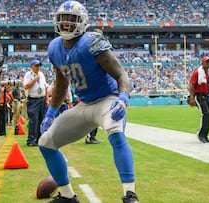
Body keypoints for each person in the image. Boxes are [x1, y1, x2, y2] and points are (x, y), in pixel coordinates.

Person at [38, 1, 139, 203]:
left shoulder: (92, 41)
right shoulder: (54, 48)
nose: (66, 24)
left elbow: (121, 74)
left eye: (71, 20)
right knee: (46, 143)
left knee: (116, 134)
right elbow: (61, 84)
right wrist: (51, 112)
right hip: (84, 105)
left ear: (82, 22)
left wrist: (123, 98)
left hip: (107, 101)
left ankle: (130, 194)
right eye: (63, 20)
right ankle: (68, 196)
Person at [189, 56, 209, 143]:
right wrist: (191, 97)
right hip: (199, 95)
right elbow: (191, 85)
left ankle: (205, 136)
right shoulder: (197, 73)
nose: (208, 64)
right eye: (207, 62)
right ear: (202, 63)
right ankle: (201, 135)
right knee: (205, 114)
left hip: (207, 95)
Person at [23, 59, 48, 146]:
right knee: (34, 120)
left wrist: (47, 99)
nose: (38, 67)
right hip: (33, 99)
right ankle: (31, 140)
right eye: (36, 66)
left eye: (39, 66)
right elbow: (26, 86)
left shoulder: (41, 74)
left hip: (42, 99)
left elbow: (45, 86)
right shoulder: (28, 75)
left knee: (41, 119)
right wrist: (34, 80)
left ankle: (38, 139)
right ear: (32, 66)